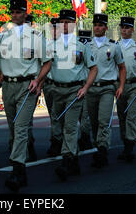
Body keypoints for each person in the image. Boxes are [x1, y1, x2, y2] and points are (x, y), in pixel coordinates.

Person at [0, 0, 51, 192]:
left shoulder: (35, 36)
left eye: (19, 12)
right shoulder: (4, 36)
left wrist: (38, 80)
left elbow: (47, 62)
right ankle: (21, 169)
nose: (15, 15)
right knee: (12, 127)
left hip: (27, 86)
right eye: (13, 12)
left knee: (21, 126)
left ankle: (17, 168)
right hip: (8, 86)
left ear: (25, 14)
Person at [50, 9, 97, 181]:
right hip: (57, 90)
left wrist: (85, 87)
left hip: (74, 91)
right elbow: (45, 66)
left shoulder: (81, 46)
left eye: (67, 22)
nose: (64, 25)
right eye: (61, 22)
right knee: (61, 125)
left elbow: (93, 68)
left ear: (73, 24)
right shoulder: (52, 46)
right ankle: (74, 158)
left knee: (70, 126)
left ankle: (67, 160)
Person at [87, 13, 126, 168]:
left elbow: (122, 68)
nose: (97, 27)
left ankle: (102, 150)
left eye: (100, 25)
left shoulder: (113, 46)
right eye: (95, 25)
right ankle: (98, 145)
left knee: (104, 120)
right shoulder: (86, 45)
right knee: (94, 122)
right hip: (90, 89)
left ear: (106, 27)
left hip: (107, 88)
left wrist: (121, 86)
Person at [116, 16, 136, 162]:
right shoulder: (115, 46)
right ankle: (125, 141)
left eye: (127, 27)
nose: (124, 30)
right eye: (122, 27)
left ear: (133, 30)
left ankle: (130, 144)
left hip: (134, 85)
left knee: (131, 116)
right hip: (119, 86)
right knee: (122, 116)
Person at [39, 17, 63, 157]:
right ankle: (56, 139)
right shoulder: (46, 45)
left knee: (59, 114)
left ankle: (59, 140)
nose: (54, 31)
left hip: (62, 85)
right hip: (49, 85)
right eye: (52, 28)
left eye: (56, 28)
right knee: (53, 115)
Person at [76, 30, 93, 151]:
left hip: (84, 84)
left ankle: (84, 138)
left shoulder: (78, 47)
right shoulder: (91, 47)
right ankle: (84, 138)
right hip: (84, 84)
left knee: (83, 114)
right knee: (83, 114)